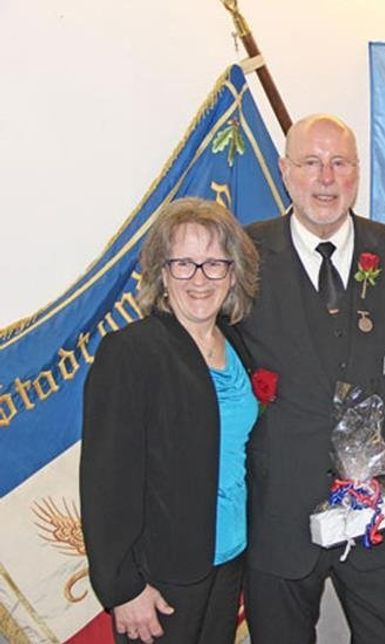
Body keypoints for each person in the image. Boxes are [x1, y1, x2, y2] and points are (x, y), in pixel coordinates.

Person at [239, 114, 385, 643]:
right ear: (285, 172)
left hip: (384, 511)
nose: (325, 178)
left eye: (339, 163)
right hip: (277, 512)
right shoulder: (240, 257)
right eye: (310, 163)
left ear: (357, 174)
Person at [81, 197, 260, 643]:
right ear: (163, 274)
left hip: (229, 561)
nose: (199, 279)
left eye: (214, 263)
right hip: (162, 579)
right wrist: (123, 587)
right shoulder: (132, 351)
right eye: (184, 263)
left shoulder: (237, 343)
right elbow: (106, 481)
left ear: (232, 273)